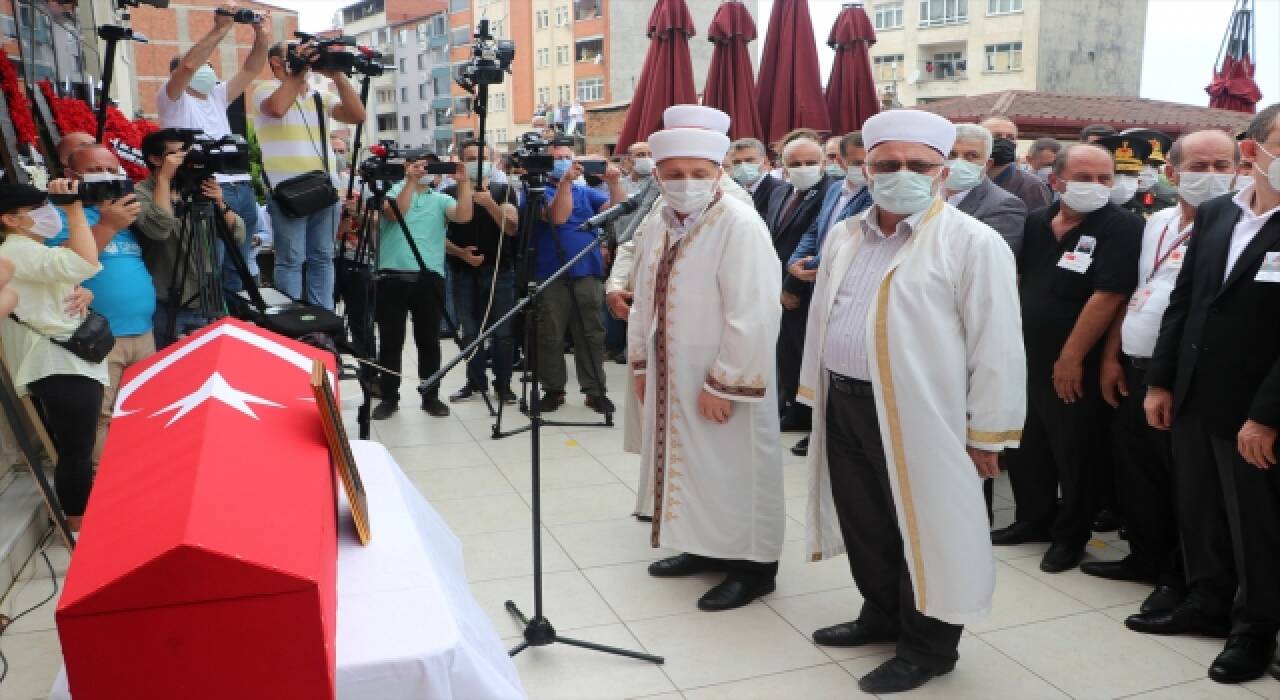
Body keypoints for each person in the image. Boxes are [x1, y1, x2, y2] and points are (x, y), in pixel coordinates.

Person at [798, 109, 1025, 694]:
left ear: (942, 172)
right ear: (865, 170)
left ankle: (928, 648)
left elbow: (997, 344)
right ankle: (881, 615)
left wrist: (988, 433)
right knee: (866, 519)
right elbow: (825, 317)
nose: (902, 174)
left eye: (916, 165)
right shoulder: (847, 233)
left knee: (927, 529)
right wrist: (811, 391)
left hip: (926, 414)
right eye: (887, 164)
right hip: (846, 402)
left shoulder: (974, 242)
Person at [1142, 104, 1280, 684]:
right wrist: (1161, 380)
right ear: (1254, 150)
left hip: (1257, 408)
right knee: (1200, 510)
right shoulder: (1220, 212)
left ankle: (1255, 631)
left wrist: (1268, 416)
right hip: (1195, 393)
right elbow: (1185, 300)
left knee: (1259, 528)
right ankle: (1207, 602)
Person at [627, 104, 784, 612]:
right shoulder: (659, 219)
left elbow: (755, 311)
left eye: (698, 174)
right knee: (689, 463)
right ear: (658, 175)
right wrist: (641, 364)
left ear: (719, 173)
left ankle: (753, 568)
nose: (686, 183)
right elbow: (645, 296)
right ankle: (701, 546)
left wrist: (726, 382)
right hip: (673, 369)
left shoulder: (738, 222)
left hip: (722, 374)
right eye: (674, 175)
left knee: (734, 468)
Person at [1093, 129, 1239, 621]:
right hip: (1137, 365)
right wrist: (1113, 356)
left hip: (1185, 376)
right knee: (1141, 477)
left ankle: (1181, 578)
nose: (1212, 177)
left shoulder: (1238, 227)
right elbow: (1140, 290)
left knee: (1188, 489)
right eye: (1201, 166)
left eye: (1223, 166)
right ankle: (1146, 558)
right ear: (1173, 173)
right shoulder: (1156, 222)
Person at [994, 143, 1143, 574]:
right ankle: (1033, 518)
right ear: (1055, 180)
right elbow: (1019, 279)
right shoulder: (1038, 221)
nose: (1095, 187)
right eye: (1083, 178)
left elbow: (1109, 295)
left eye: (1103, 178)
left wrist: (1071, 357)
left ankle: (1071, 535)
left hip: (1078, 360)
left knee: (1075, 450)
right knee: (1027, 443)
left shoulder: (1121, 226)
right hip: (1026, 354)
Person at [0, 181, 105, 532]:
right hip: (55, 362)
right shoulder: (17, 251)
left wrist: (84, 294)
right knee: (76, 450)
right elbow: (84, 261)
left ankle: (82, 519)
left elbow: (72, 278)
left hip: (64, 359)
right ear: (11, 220)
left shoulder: (32, 250)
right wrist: (75, 211)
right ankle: (78, 524)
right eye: (38, 210)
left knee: (78, 446)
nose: (49, 215)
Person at [157, 7, 269, 300]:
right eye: (202, 64)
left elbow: (252, 68)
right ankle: (211, 325)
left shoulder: (218, 94)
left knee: (239, 267)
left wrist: (261, 34)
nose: (207, 69)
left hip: (241, 187)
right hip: (208, 187)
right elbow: (187, 68)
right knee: (212, 267)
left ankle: (236, 324)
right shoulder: (172, 99)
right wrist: (219, 30)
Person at [252, 38, 367, 309]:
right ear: (276, 63)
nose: (301, 55)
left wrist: (336, 74)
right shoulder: (264, 89)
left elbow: (357, 115)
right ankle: (289, 318)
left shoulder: (318, 96)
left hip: (323, 189)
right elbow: (278, 108)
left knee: (323, 257)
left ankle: (321, 320)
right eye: (293, 52)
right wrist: (299, 70)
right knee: (291, 259)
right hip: (286, 192)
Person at [61, 146, 155, 469]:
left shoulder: (125, 210)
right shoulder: (64, 214)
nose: (107, 175)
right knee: (101, 417)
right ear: (71, 176)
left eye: (113, 168)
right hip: (99, 336)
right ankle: (105, 488)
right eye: (96, 169)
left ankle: (139, 473)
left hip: (143, 332)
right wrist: (107, 226)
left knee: (144, 411)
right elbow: (67, 265)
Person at [784, 131, 874, 457]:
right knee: (814, 361)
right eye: (858, 163)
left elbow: (854, 239)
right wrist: (797, 260)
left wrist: (815, 264)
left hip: (848, 291)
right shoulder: (836, 188)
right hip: (817, 287)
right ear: (840, 162)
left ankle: (826, 429)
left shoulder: (876, 196)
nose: (866, 170)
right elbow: (818, 230)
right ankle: (817, 427)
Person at [372, 153, 472, 420]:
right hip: (392, 275)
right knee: (391, 341)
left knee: (428, 341)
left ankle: (431, 396)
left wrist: (463, 183)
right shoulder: (393, 190)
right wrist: (408, 181)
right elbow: (395, 214)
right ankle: (389, 397)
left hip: (429, 276)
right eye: (419, 166)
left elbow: (463, 216)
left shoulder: (439, 199)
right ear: (407, 167)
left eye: (429, 166)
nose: (424, 171)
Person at [531, 144, 624, 413]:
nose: (563, 162)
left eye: (567, 158)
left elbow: (615, 212)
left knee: (592, 334)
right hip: (552, 274)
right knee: (550, 335)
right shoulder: (537, 192)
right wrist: (564, 184)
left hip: (587, 272)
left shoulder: (587, 192)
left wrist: (615, 184)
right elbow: (558, 217)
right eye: (557, 159)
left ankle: (595, 391)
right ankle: (553, 389)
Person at [134, 129, 247, 349]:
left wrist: (220, 204)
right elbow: (159, 229)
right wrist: (164, 181)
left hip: (208, 300)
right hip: (169, 304)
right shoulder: (140, 194)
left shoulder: (195, 189)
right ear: (156, 159)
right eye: (178, 154)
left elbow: (238, 236)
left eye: (188, 152)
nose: (186, 159)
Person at [443, 140, 520, 405]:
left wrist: (489, 204)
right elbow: (436, 236)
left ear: (492, 160)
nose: (477, 162)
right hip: (463, 271)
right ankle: (475, 381)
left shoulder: (504, 191)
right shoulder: (450, 192)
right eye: (471, 157)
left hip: (500, 271)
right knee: (470, 331)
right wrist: (461, 253)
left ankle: (504, 384)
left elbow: (511, 228)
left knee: (502, 331)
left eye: (482, 157)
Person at [767, 137, 829, 436]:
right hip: (777, 283)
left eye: (810, 163)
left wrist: (792, 286)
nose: (803, 169)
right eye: (795, 164)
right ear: (783, 166)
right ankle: (793, 404)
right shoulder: (781, 192)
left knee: (805, 350)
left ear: (823, 164)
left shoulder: (828, 192)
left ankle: (807, 412)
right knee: (787, 349)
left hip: (803, 287)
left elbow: (811, 242)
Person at [944, 123, 1028, 255]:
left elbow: (991, 258)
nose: (958, 162)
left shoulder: (1005, 206)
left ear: (987, 164)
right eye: (951, 155)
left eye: (971, 156)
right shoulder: (928, 195)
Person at [981, 116, 1052, 211]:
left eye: (1010, 137)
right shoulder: (966, 179)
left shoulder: (1032, 187)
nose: (1004, 141)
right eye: (996, 136)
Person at [727, 137, 782, 220]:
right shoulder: (732, 189)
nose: (743, 166)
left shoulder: (779, 189)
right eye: (737, 162)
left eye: (749, 160)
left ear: (765, 161)